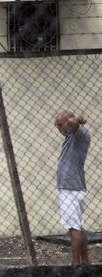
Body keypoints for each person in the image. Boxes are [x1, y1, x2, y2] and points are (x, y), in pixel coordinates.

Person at [54, 110, 91, 265]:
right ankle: (86, 263)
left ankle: (75, 266)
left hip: (71, 189)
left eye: (60, 125)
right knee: (78, 227)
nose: (59, 129)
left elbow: (75, 122)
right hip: (74, 187)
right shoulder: (72, 137)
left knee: (73, 228)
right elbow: (72, 123)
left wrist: (73, 120)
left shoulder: (78, 134)